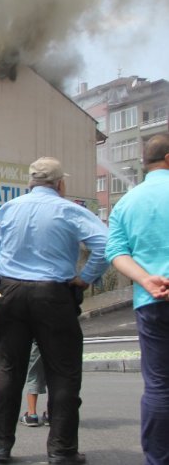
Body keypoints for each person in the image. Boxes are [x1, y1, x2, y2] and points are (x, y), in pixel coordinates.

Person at [0, 156, 109, 464]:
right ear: (59, 183)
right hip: (54, 294)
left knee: (6, 371)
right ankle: (61, 450)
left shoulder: (9, 208)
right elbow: (106, 244)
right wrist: (84, 278)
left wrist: (10, 275)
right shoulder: (69, 209)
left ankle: (1, 447)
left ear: (30, 182)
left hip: (10, 292)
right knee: (63, 372)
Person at [105, 133, 169, 465]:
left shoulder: (127, 202)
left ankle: (158, 458)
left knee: (159, 385)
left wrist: (146, 279)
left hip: (151, 301)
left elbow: (115, 251)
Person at [21, 343, 49, 427]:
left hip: (38, 337)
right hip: (56, 336)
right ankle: (51, 413)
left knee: (34, 373)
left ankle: (32, 414)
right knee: (55, 375)